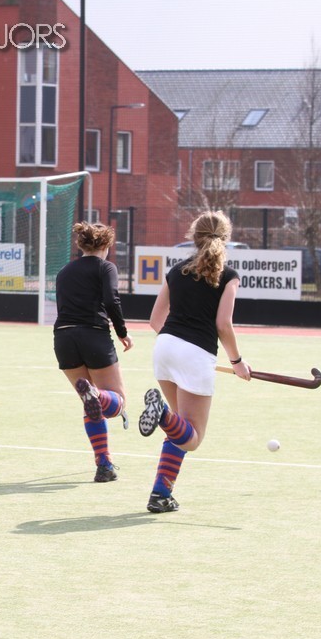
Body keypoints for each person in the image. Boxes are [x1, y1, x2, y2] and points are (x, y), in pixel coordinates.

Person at [137, 210, 252, 513]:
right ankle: (161, 413)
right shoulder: (229, 276)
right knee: (193, 438)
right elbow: (223, 324)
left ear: (194, 236)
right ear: (225, 238)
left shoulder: (176, 271)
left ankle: (160, 495)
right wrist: (237, 361)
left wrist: (178, 344)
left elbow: (155, 320)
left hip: (164, 347)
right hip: (195, 353)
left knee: (180, 428)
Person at [53, 222, 133, 482]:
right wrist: (122, 331)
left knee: (91, 405)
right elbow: (111, 299)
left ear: (81, 245)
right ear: (106, 245)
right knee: (116, 402)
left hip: (63, 339)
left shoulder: (64, 271)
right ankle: (96, 394)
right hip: (93, 335)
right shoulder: (105, 267)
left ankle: (104, 466)